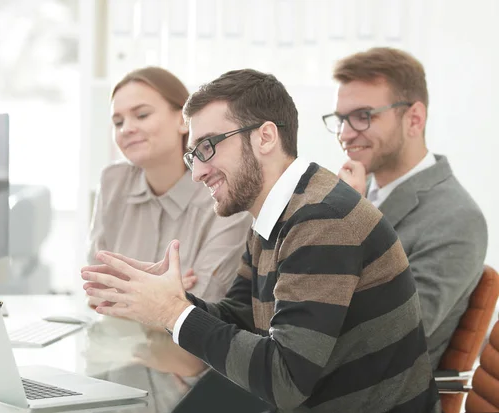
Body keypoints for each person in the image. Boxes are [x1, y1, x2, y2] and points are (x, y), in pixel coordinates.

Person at [81, 69, 441, 412]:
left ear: (265, 137)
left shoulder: (322, 219)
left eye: (208, 148)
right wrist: (173, 299)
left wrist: (173, 312)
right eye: (193, 156)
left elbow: (285, 380)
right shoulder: (277, 214)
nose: (198, 172)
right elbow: (241, 319)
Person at [322, 47, 488, 368]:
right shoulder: (359, 192)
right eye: (341, 119)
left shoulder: (457, 218)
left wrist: (352, 223)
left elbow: (390, 338)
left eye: (363, 116)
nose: (344, 134)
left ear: (414, 119)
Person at [87, 66, 252, 302]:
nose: (126, 129)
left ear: (184, 120)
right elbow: (95, 292)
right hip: (119, 337)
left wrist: (126, 292)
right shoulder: (113, 182)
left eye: (142, 115)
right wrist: (163, 294)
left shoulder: (223, 191)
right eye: (117, 121)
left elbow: (204, 302)